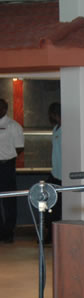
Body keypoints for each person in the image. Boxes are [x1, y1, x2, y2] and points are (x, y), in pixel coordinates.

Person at [0, 98, 24, 244]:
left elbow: (19, 147)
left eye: (1, 107)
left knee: (9, 200)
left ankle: (9, 232)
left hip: (6, 166)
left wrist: (7, 156)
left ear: (6, 109)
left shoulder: (14, 126)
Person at [44, 102, 62, 244]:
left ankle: (55, 235)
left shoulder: (66, 130)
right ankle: (49, 232)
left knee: (58, 208)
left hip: (62, 175)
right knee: (49, 205)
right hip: (54, 173)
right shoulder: (55, 129)